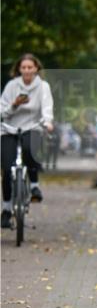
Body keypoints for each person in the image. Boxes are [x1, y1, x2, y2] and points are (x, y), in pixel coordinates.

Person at [1, 53, 54, 228]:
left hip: (33, 127)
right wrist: (15, 104)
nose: (26, 71)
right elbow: (2, 111)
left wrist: (47, 122)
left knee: (29, 148)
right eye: (23, 68)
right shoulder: (11, 86)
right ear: (19, 69)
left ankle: (34, 187)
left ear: (36, 68)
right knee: (7, 169)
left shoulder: (43, 86)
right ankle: (7, 209)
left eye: (30, 67)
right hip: (9, 128)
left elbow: (47, 107)